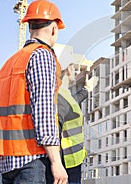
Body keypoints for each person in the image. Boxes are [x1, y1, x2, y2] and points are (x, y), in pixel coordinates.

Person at [0, 0, 68, 184]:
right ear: (54, 29)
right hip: (31, 159)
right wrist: (56, 161)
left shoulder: (10, 62)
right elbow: (44, 110)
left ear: (30, 26)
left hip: (7, 162)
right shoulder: (41, 55)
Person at [55, 51, 97, 184]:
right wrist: (56, 163)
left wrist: (86, 89)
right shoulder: (58, 94)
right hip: (66, 162)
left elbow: (73, 102)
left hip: (73, 161)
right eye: (73, 67)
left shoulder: (64, 93)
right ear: (68, 69)